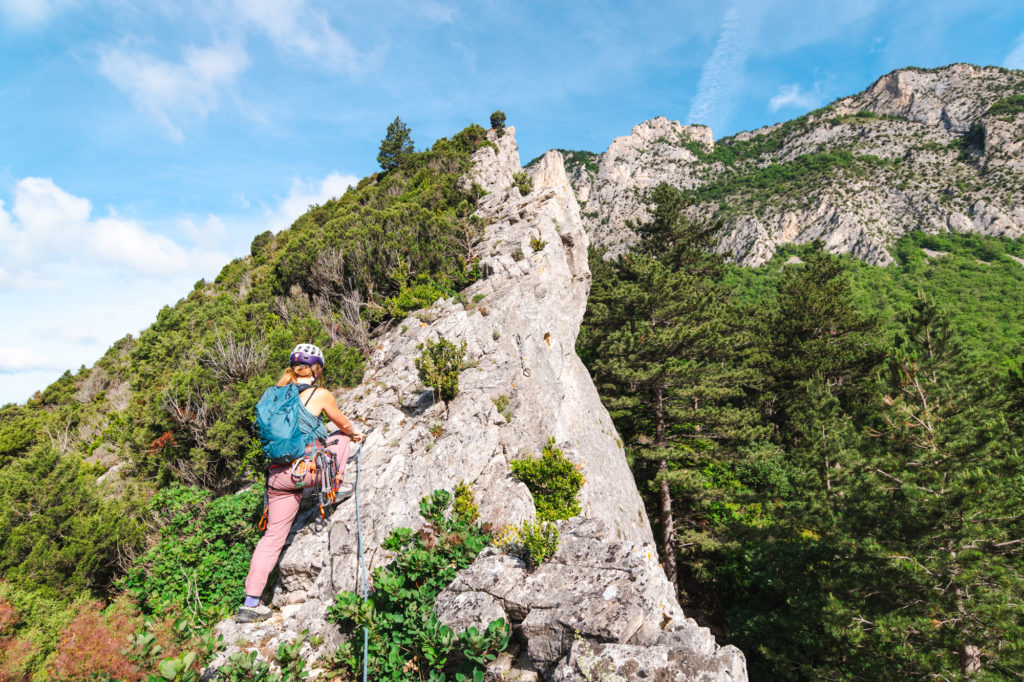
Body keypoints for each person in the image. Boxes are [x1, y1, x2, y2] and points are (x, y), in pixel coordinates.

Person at [236, 343, 365, 623]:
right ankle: (334, 488)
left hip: (278, 476)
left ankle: (250, 603)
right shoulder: (320, 394)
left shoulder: (276, 395)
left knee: (271, 540)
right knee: (340, 440)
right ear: (316, 369)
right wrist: (355, 434)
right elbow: (342, 425)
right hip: (309, 471)